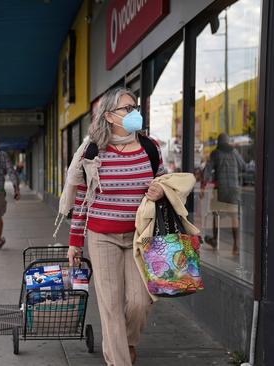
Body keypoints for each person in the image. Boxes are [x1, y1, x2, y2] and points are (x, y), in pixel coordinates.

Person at [66, 87, 166, 365]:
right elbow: (82, 200)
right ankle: (119, 360)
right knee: (110, 306)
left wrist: (159, 191)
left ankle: (128, 342)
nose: (134, 112)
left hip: (139, 237)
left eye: (135, 107)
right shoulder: (93, 150)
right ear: (109, 116)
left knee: (139, 302)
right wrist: (75, 242)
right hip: (102, 236)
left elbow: (165, 183)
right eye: (127, 108)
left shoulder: (150, 147)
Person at [202, 133, 245, 255]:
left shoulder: (216, 153)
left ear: (219, 142)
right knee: (234, 217)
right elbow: (243, 166)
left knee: (216, 214)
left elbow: (207, 170)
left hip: (221, 189)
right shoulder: (234, 152)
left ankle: (215, 239)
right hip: (234, 190)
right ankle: (236, 245)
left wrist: (204, 185)